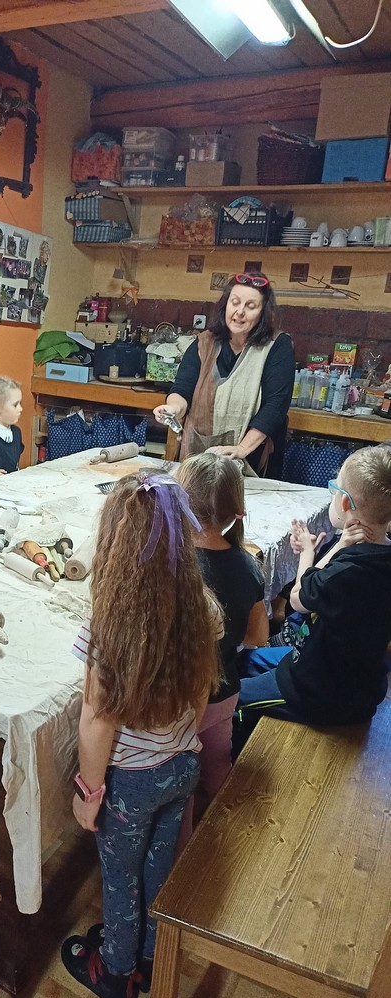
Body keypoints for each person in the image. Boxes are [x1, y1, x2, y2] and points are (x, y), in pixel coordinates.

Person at [61, 471, 221, 998]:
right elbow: (201, 690)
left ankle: (113, 970)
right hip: (182, 766)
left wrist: (89, 793)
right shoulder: (203, 609)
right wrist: (180, 742)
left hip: (130, 783)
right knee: (158, 867)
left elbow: (97, 719)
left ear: (113, 544)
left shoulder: (109, 629)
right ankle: (151, 961)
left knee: (120, 879)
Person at [236, 446, 391, 746]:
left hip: (318, 691)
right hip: (355, 679)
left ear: (344, 502)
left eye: (334, 487)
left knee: (232, 700)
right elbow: (322, 583)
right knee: (249, 660)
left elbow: (298, 599)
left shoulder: (346, 573)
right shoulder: (375, 557)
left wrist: (308, 552)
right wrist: (339, 545)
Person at [175, 453, 267, 843]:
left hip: (178, 704)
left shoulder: (172, 564)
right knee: (217, 765)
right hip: (224, 693)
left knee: (180, 781)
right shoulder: (248, 566)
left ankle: (183, 852)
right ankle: (220, 836)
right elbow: (258, 637)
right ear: (237, 511)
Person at [153, 272, 294, 477]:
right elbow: (182, 389)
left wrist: (242, 449)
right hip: (197, 457)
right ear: (225, 304)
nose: (240, 312)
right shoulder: (203, 343)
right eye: (234, 302)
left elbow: (276, 406)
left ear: (263, 312)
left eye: (251, 306)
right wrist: (173, 408)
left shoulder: (276, 347)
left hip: (252, 461)